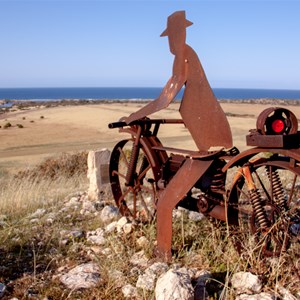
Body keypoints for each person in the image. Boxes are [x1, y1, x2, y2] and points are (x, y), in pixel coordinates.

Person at [125, 11, 232, 150]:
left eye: (173, 35)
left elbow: (165, 98)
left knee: (205, 156)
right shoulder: (187, 52)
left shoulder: (183, 55)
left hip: (202, 117)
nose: (171, 41)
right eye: (170, 36)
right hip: (203, 114)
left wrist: (134, 116)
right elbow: (170, 89)